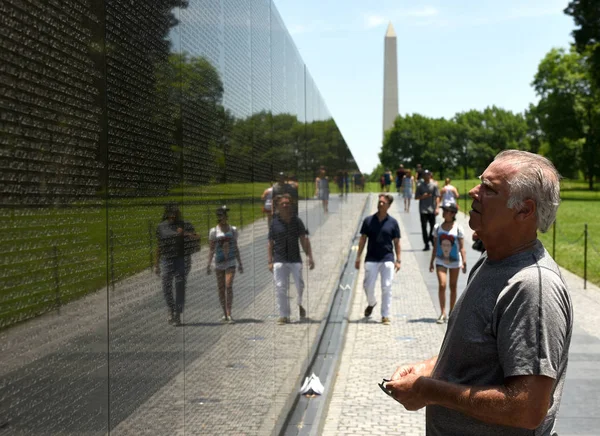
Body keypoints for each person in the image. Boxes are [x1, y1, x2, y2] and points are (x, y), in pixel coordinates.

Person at [384, 150, 573, 435]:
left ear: (525, 210)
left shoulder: (532, 287)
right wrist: (429, 368)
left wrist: (430, 391)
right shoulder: (491, 261)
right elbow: (481, 355)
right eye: (480, 183)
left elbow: (527, 408)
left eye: (489, 188)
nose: (473, 191)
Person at [354, 194, 401, 325]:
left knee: (387, 286)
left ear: (388, 206)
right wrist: (358, 257)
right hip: (371, 258)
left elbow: (397, 242)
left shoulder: (393, 222)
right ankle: (371, 302)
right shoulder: (368, 220)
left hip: (387, 258)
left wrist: (399, 260)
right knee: (368, 285)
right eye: (379, 202)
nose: (380, 204)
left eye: (383, 203)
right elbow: (363, 239)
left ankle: (385, 315)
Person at [268, 194, 315, 324]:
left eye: (287, 203)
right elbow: (270, 242)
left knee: (300, 285)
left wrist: (309, 256)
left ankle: (299, 304)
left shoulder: (297, 221)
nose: (285, 205)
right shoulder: (274, 222)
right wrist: (270, 260)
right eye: (282, 203)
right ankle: (284, 315)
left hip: (295, 259)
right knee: (280, 286)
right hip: (279, 259)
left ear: (291, 205)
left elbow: (304, 239)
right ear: (278, 206)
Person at [155, 203, 199, 326]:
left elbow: (197, 237)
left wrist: (184, 233)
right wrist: (156, 264)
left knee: (180, 286)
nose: (175, 215)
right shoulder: (161, 227)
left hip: (182, 259)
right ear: (168, 214)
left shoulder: (185, 225)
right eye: (173, 213)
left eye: (177, 213)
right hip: (166, 259)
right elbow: (159, 245)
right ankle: (171, 308)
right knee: (166, 285)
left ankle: (178, 314)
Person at [429, 202, 466, 324]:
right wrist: (431, 262)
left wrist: (464, 261)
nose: (443, 212)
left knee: (453, 286)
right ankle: (442, 312)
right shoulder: (437, 227)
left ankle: (451, 312)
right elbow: (435, 246)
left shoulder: (458, 228)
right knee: (442, 284)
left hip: (455, 261)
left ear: (452, 213)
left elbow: (461, 247)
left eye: (446, 210)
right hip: (440, 260)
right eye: (443, 210)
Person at [206, 206, 243, 323]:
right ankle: (224, 313)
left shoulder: (233, 229)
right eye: (221, 215)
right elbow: (211, 249)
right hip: (218, 262)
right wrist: (208, 264)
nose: (224, 217)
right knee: (221, 288)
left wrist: (240, 263)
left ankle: (229, 312)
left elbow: (235, 246)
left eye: (225, 215)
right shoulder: (213, 231)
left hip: (231, 262)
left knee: (228, 286)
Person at [414, 170, 440, 251]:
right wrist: (423, 196)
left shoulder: (434, 185)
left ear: (430, 175)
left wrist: (437, 208)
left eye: (428, 174)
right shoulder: (420, 186)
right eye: (425, 175)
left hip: (432, 209)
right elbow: (416, 197)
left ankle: (431, 238)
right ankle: (426, 243)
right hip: (423, 210)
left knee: (433, 227)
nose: (427, 176)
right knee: (424, 227)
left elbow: (437, 197)